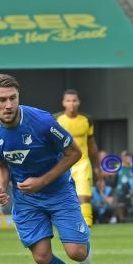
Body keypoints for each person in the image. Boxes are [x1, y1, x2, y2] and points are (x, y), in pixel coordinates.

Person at [0, 74, 95, 264]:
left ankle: (83, 242)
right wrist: (1, 187)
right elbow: (1, 163)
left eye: (13, 98)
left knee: (77, 253)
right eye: (2, 99)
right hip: (25, 198)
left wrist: (42, 181)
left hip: (58, 190)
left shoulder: (43, 122)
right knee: (41, 257)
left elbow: (74, 153)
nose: (9, 105)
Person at [55, 89, 101, 228]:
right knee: (62, 194)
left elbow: (91, 144)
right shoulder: (56, 120)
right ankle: (63, 222)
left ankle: (87, 222)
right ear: (63, 103)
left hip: (82, 162)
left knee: (84, 192)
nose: (71, 104)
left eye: (74, 100)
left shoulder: (86, 120)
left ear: (78, 102)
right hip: (63, 163)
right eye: (68, 101)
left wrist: (98, 166)